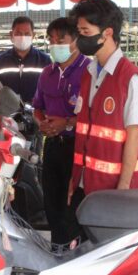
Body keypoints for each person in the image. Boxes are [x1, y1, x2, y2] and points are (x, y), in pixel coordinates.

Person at [65, 0, 138, 242]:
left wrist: (123, 186)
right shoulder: (89, 74)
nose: (80, 38)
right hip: (88, 184)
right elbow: (86, 131)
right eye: (79, 32)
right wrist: (76, 178)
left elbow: (134, 134)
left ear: (108, 32)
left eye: (85, 32)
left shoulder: (130, 79)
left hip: (119, 190)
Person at [32, 17, 89, 244]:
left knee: (74, 201)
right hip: (53, 144)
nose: (55, 44)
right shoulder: (47, 73)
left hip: (78, 146)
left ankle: (78, 248)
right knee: (52, 200)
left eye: (61, 39)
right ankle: (57, 247)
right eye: (51, 39)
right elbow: (38, 107)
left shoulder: (89, 71)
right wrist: (42, 124)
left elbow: (92, 114)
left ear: (75, 40)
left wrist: (66, 123)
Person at [0, 16, 51, 106]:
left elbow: (51, 89)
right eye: (18, 33)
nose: (23, 37)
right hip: (8, 116)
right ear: (11, 35)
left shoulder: (45, 60)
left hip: (37, 116)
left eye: (27, 34)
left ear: (33, 35)